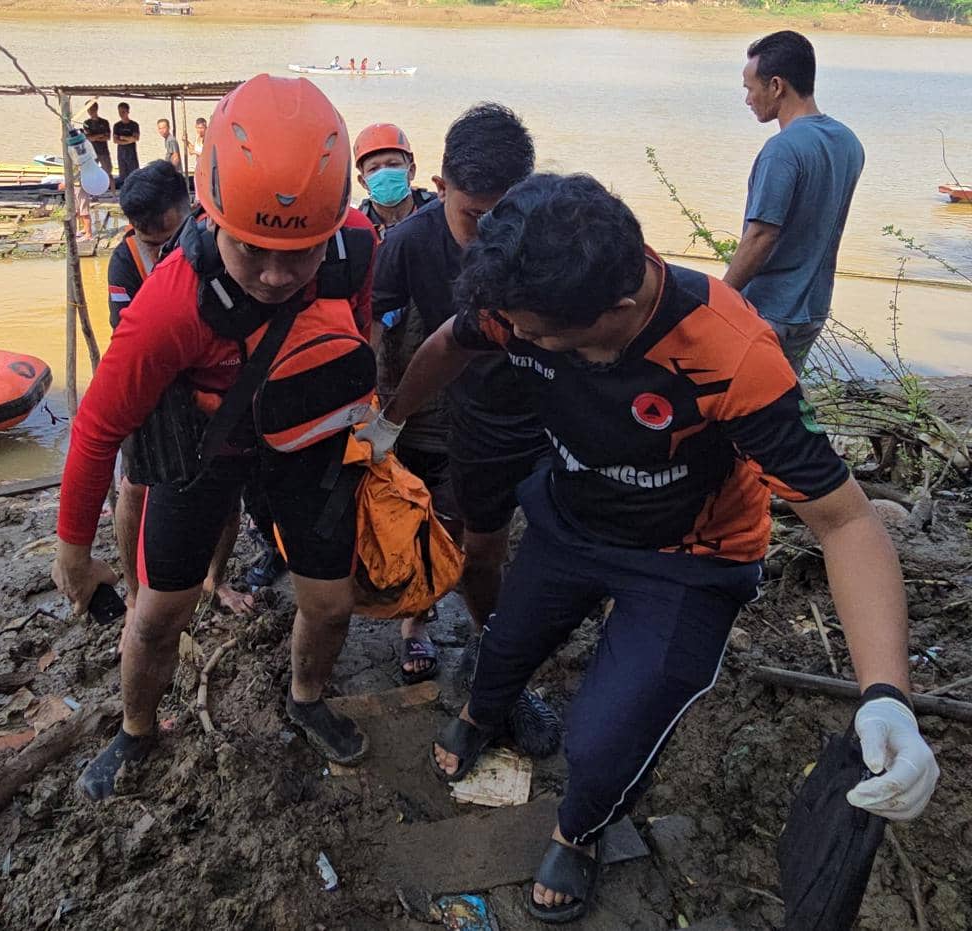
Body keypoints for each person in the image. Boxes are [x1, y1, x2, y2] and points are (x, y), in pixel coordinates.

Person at [358, 173, 939, 922]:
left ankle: (582, 829)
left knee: (605, 742)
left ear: (619, 309)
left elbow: (848, 523)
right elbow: (453, 341)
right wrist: (393, 419)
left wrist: (886, 695)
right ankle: (481, 715)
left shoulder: (730, 356)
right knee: (504, 643)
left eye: (537, 336)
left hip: (690, 557)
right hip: (571, 518)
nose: (519, 341)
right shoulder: (522, 303)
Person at [53, 74, 379, 800]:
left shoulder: (357, 247)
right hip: (209, 450)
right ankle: (136, 728)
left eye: (297, 256)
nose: (272, 274)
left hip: (307, 438)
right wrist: (73, 551)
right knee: (159, 613)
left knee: (330, 602)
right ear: (211, 215)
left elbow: (352, 331)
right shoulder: (169, 306)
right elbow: (99, 425)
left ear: (331, 227)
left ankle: (306, 696)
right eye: (252, 251)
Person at [369, 104, 548, 704]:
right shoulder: (405, 243)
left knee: (523, 539)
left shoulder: (544, 234)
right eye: (474, 216)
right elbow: (387, 334)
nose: (490, 231)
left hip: (537, 406)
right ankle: (432, 622)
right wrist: (388, 417)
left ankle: (495, 632)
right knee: (452, 532)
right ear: (440, 187)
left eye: (503, 214)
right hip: (451, 404)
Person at [107, 160, 252, 618]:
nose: (159, 244)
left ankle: (215, 578)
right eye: (148, 236)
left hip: (217, 383)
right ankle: (135, 593)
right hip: (157, 384)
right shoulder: (126, 258)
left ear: (188, 204)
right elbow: (128, 338)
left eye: (165, 231)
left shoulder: (221, 241)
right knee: (135, 485)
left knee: (228, 493)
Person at [724, 30, 864, 374]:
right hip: (812, 309)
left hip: (769, 311)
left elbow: (761, 236)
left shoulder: (782, 151)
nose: (747, 99)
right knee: (784, 400)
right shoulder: (848, 142)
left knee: (740, 409)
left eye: (749, 88)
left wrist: (721, 297)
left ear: (776, 86)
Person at [353, 122, 435, 237]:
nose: (384, 174)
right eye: (373, 169)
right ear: (363, 182)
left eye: (393, 164)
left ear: (411, 171)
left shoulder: (438, 210)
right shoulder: (356, 228)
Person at [82, 100, 113, 191]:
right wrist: (99, 135)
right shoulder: (86, 123)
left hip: (103, 151)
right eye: (88, 109)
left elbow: (107, 137)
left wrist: (94, 137)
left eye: (91, 109)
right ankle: (94, 193)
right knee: (92, 174)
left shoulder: (104, 122)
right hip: (91, 153)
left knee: (108, 172)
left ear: (96, 109)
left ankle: (112, 194)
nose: (90, 111)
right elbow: (88, 137)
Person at [113, 102, 141, 186]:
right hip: (121, 152)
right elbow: (115, 140)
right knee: (123, 174)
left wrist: (123, 138)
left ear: (127, 111)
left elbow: (136, 138)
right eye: (119, 112)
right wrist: (129, 140)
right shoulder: (117, 125)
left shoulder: (134, 125)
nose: (121, 114)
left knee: (134, 173)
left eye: (123, 112)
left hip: (131, 152)